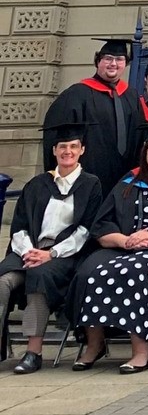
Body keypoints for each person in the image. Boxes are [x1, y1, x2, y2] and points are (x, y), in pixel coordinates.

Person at [71, 125, 148, 374]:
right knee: (89, 271)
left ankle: (141, 351)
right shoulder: (128, 182)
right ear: (144, 151)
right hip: (123, 246)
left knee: (136, 270)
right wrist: (124, 240)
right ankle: (94, 344)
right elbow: (102, 225)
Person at [1, 123, 105, 374]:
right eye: (62, 147)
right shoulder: (37, 184)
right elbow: (19, 226)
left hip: (66, 255)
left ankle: (33, 352)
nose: (67, 151)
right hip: (29, 251)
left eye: (73, 146)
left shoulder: (90, 184)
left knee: (39, 277)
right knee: (2, 281)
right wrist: (28, 251)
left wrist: (51, 254)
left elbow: (85, 231)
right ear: (55, 151)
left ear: (82, 150)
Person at [44, 37, 142, 191]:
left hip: (124, 181)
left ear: (126, 64)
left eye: (119, 59)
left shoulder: (131, 96)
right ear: (98, 61)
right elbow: (57, 138)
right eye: (108, 58)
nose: (113, 64)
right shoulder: (76, 95)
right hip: (87, 181)